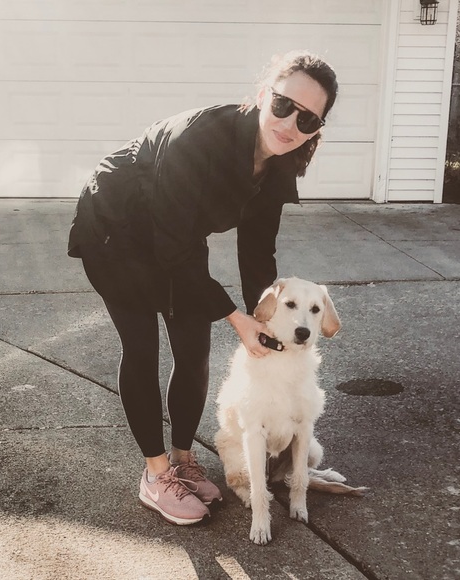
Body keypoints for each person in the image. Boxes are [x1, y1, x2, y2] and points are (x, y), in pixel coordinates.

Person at [67, 50, 338, 525]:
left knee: (194, 351)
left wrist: (263, 316)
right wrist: (236, 317)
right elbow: (172, 250)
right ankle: (156, 475)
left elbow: (257, 250)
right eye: (283, 105)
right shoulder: (199, 139)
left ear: (316, 128)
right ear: (263, 96)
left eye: (308, 118)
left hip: (178, 239)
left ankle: (183, 460)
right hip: (115, 233)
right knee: (143, 347)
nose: (290, 123)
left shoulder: (279, 161)